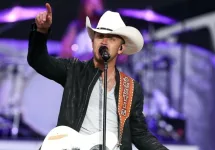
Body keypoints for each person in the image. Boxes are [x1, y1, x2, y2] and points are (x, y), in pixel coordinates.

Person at [28, 3, 168, 150]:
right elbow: (39, 60)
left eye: (111, 38)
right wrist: (40, 32)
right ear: (92, 41)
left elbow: (140, 134)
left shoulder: (132, 88)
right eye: (100, 36)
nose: (104, 41)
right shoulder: (75, 71)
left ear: (121, 48)